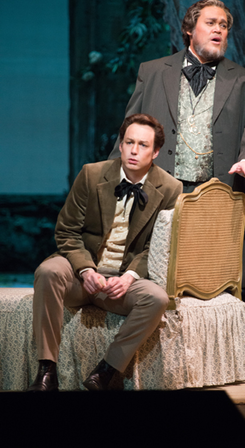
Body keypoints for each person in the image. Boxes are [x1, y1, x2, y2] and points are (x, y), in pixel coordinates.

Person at [109, 0, 245, 288]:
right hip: (160, 186)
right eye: (211, 23)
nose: (219, 29)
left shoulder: (244, 80)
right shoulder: (154, 71)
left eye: (224, 25)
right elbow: (132, 127)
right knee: (155, 275)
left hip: (215, 191)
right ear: (189, 30)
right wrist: (112, 179)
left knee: (209, 279)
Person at [27, 113, 183, 392]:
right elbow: (66, 231)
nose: (134, 150)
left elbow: (157, 247)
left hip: (122, 283)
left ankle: (107, 372)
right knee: (48, 271)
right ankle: (46, 371)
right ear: (120, 145)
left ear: (156, 151)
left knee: (157, 298)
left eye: (143, 145)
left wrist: (130, 277)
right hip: (82, 274)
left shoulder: (171, 188)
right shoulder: (91, 174)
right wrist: (86, 269)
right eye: (129, 142)